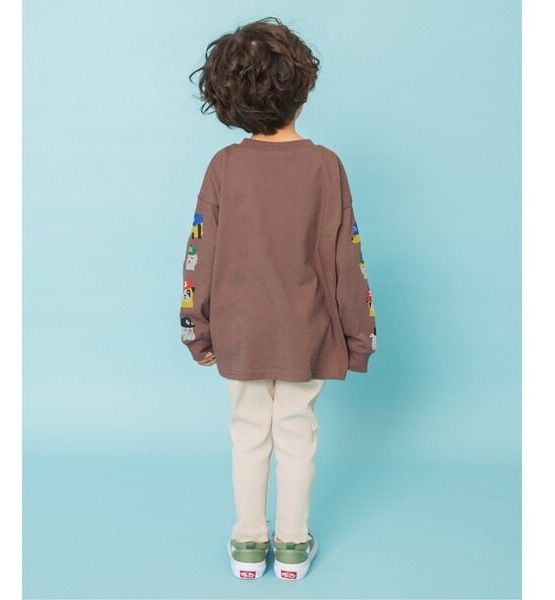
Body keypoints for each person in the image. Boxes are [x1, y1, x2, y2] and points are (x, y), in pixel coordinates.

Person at [180, 16, 377, 581]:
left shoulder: (224, 166)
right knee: (296, 432)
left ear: (227, 97)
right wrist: (359, 337)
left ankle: (248, 543)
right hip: (306, 332)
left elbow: (198, 252)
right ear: (302, 86)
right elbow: (347, 258)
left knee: (247, 431)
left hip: (239, 333)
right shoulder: (325, 165)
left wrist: (196, 329)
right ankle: (291, 545)